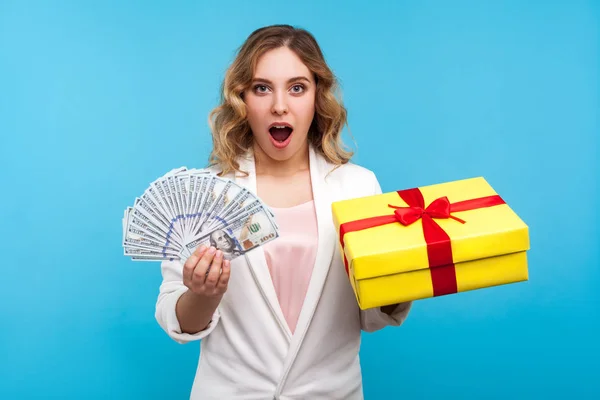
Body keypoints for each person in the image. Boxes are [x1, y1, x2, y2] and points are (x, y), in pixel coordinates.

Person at [155, 24, 412, 399]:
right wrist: (203, 294)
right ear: (242, 98)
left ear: (316, 97)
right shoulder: (206, 193)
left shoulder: (358, 187)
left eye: (297, 87)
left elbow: (370, 318)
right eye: (262, 88)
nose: (280, 105)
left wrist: (404, 277)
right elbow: (176, 320)